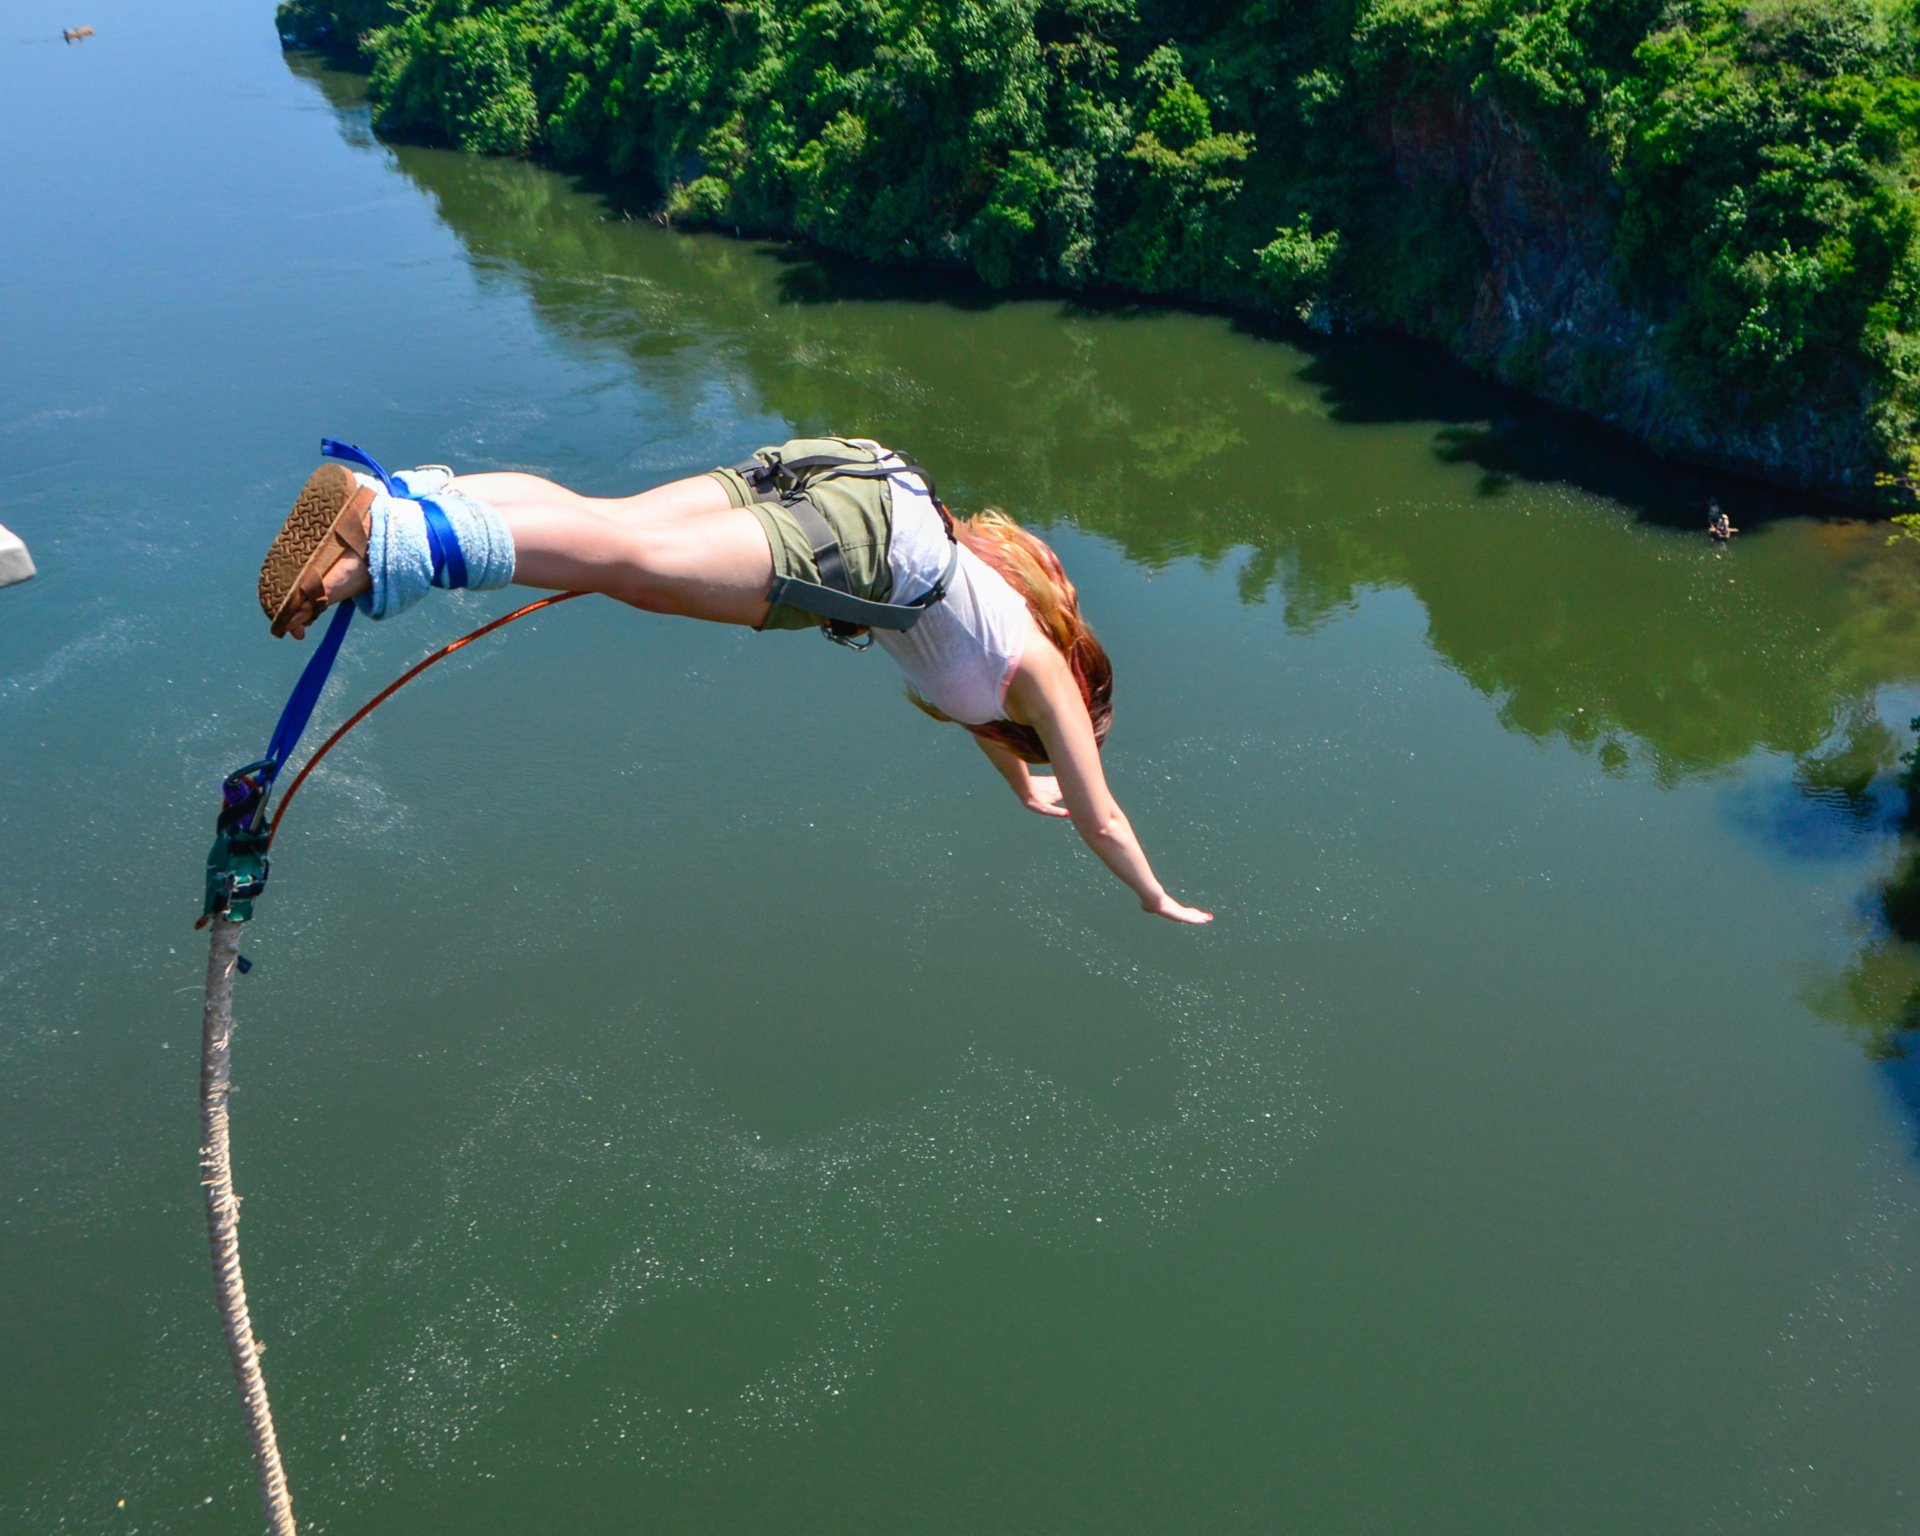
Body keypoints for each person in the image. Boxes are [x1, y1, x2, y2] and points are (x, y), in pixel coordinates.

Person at [258, 436, 1214, 924]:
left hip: (859, 477)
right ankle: (392, 540)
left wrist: (1022, 786)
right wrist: (1150, 892)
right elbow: (1106, 817)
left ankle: (422, 501)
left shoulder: (1002, 689)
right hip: (869, 546)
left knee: (616, 527)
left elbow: (980, 722)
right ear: (1075, 697)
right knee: (632, 566)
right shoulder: (1038, 675)